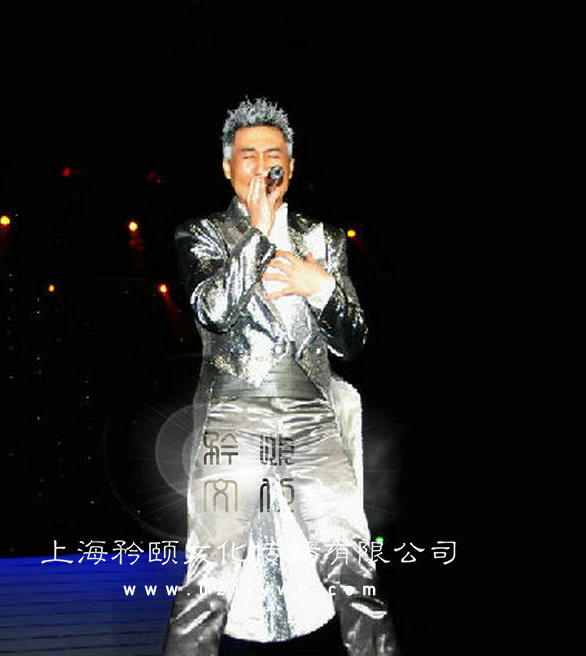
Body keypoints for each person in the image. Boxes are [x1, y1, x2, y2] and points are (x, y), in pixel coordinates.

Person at [161, 97, 400, 656]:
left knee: (354, 570)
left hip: (312, 419)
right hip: (232, 416)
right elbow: (212, 310)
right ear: (228, 167)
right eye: (249, 155)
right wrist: (259, 233)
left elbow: (353, 341)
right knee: (210, 576)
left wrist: (321, 288)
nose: (263, 165)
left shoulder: (324, 239)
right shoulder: (203, 233)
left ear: (290, 166)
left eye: (274, 156)